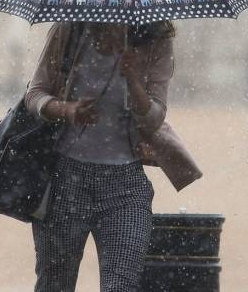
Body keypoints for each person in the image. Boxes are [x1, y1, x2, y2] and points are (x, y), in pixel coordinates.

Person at [25, 21, 202, 292]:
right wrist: (67, 109)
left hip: (126, 185)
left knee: (121, 286)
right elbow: (35, 95)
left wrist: (132, 79)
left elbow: (155, 117)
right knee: (54, 284)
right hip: (65, 180)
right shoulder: (69, 29)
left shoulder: (155, 39)